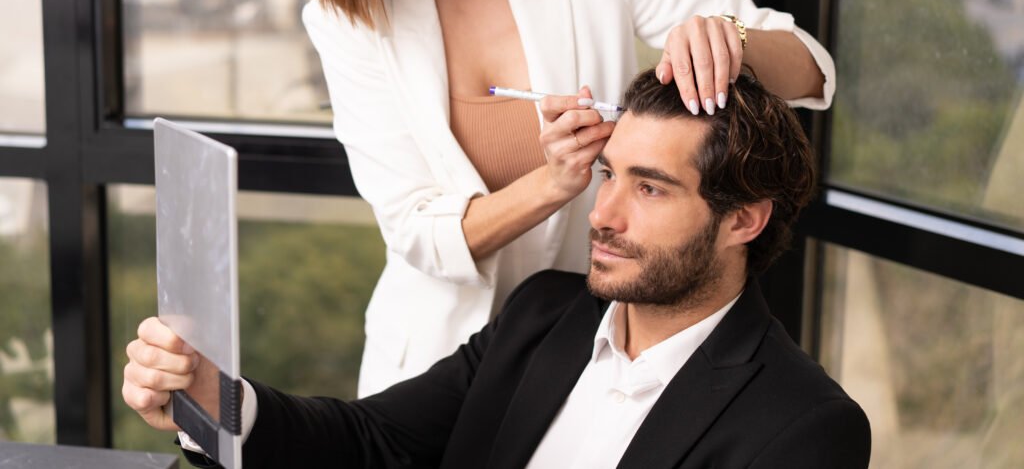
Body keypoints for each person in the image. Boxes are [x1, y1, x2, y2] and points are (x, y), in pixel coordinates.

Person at [303, 0, 836, 395]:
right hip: (432, 362)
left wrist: (729, 37)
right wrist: (553, 183)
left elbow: (811, 69)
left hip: (582, 353)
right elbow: (417, 233)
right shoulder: (349, 20)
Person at [123, 70, 870, 468]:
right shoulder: (542, 314)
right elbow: (372, 439)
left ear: (743, 219)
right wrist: (216, 398)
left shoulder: (805, 429)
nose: (603, 214)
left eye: (649, 188)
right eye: (608, 175)